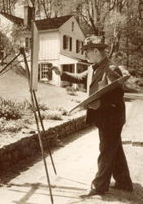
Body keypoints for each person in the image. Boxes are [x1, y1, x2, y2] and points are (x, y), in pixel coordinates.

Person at [50, 35, 133, 197]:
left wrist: (102, 104)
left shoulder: (111, 68)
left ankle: (98, 187)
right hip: (103, 118)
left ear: (96, 50)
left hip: (112, 118)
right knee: (114, 150)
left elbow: (117, 94)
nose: (85, 55)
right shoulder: (92, 67)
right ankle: (124, 182)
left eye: (86, 51)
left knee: (106, 150)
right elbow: (81, 78)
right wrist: (62, 74)